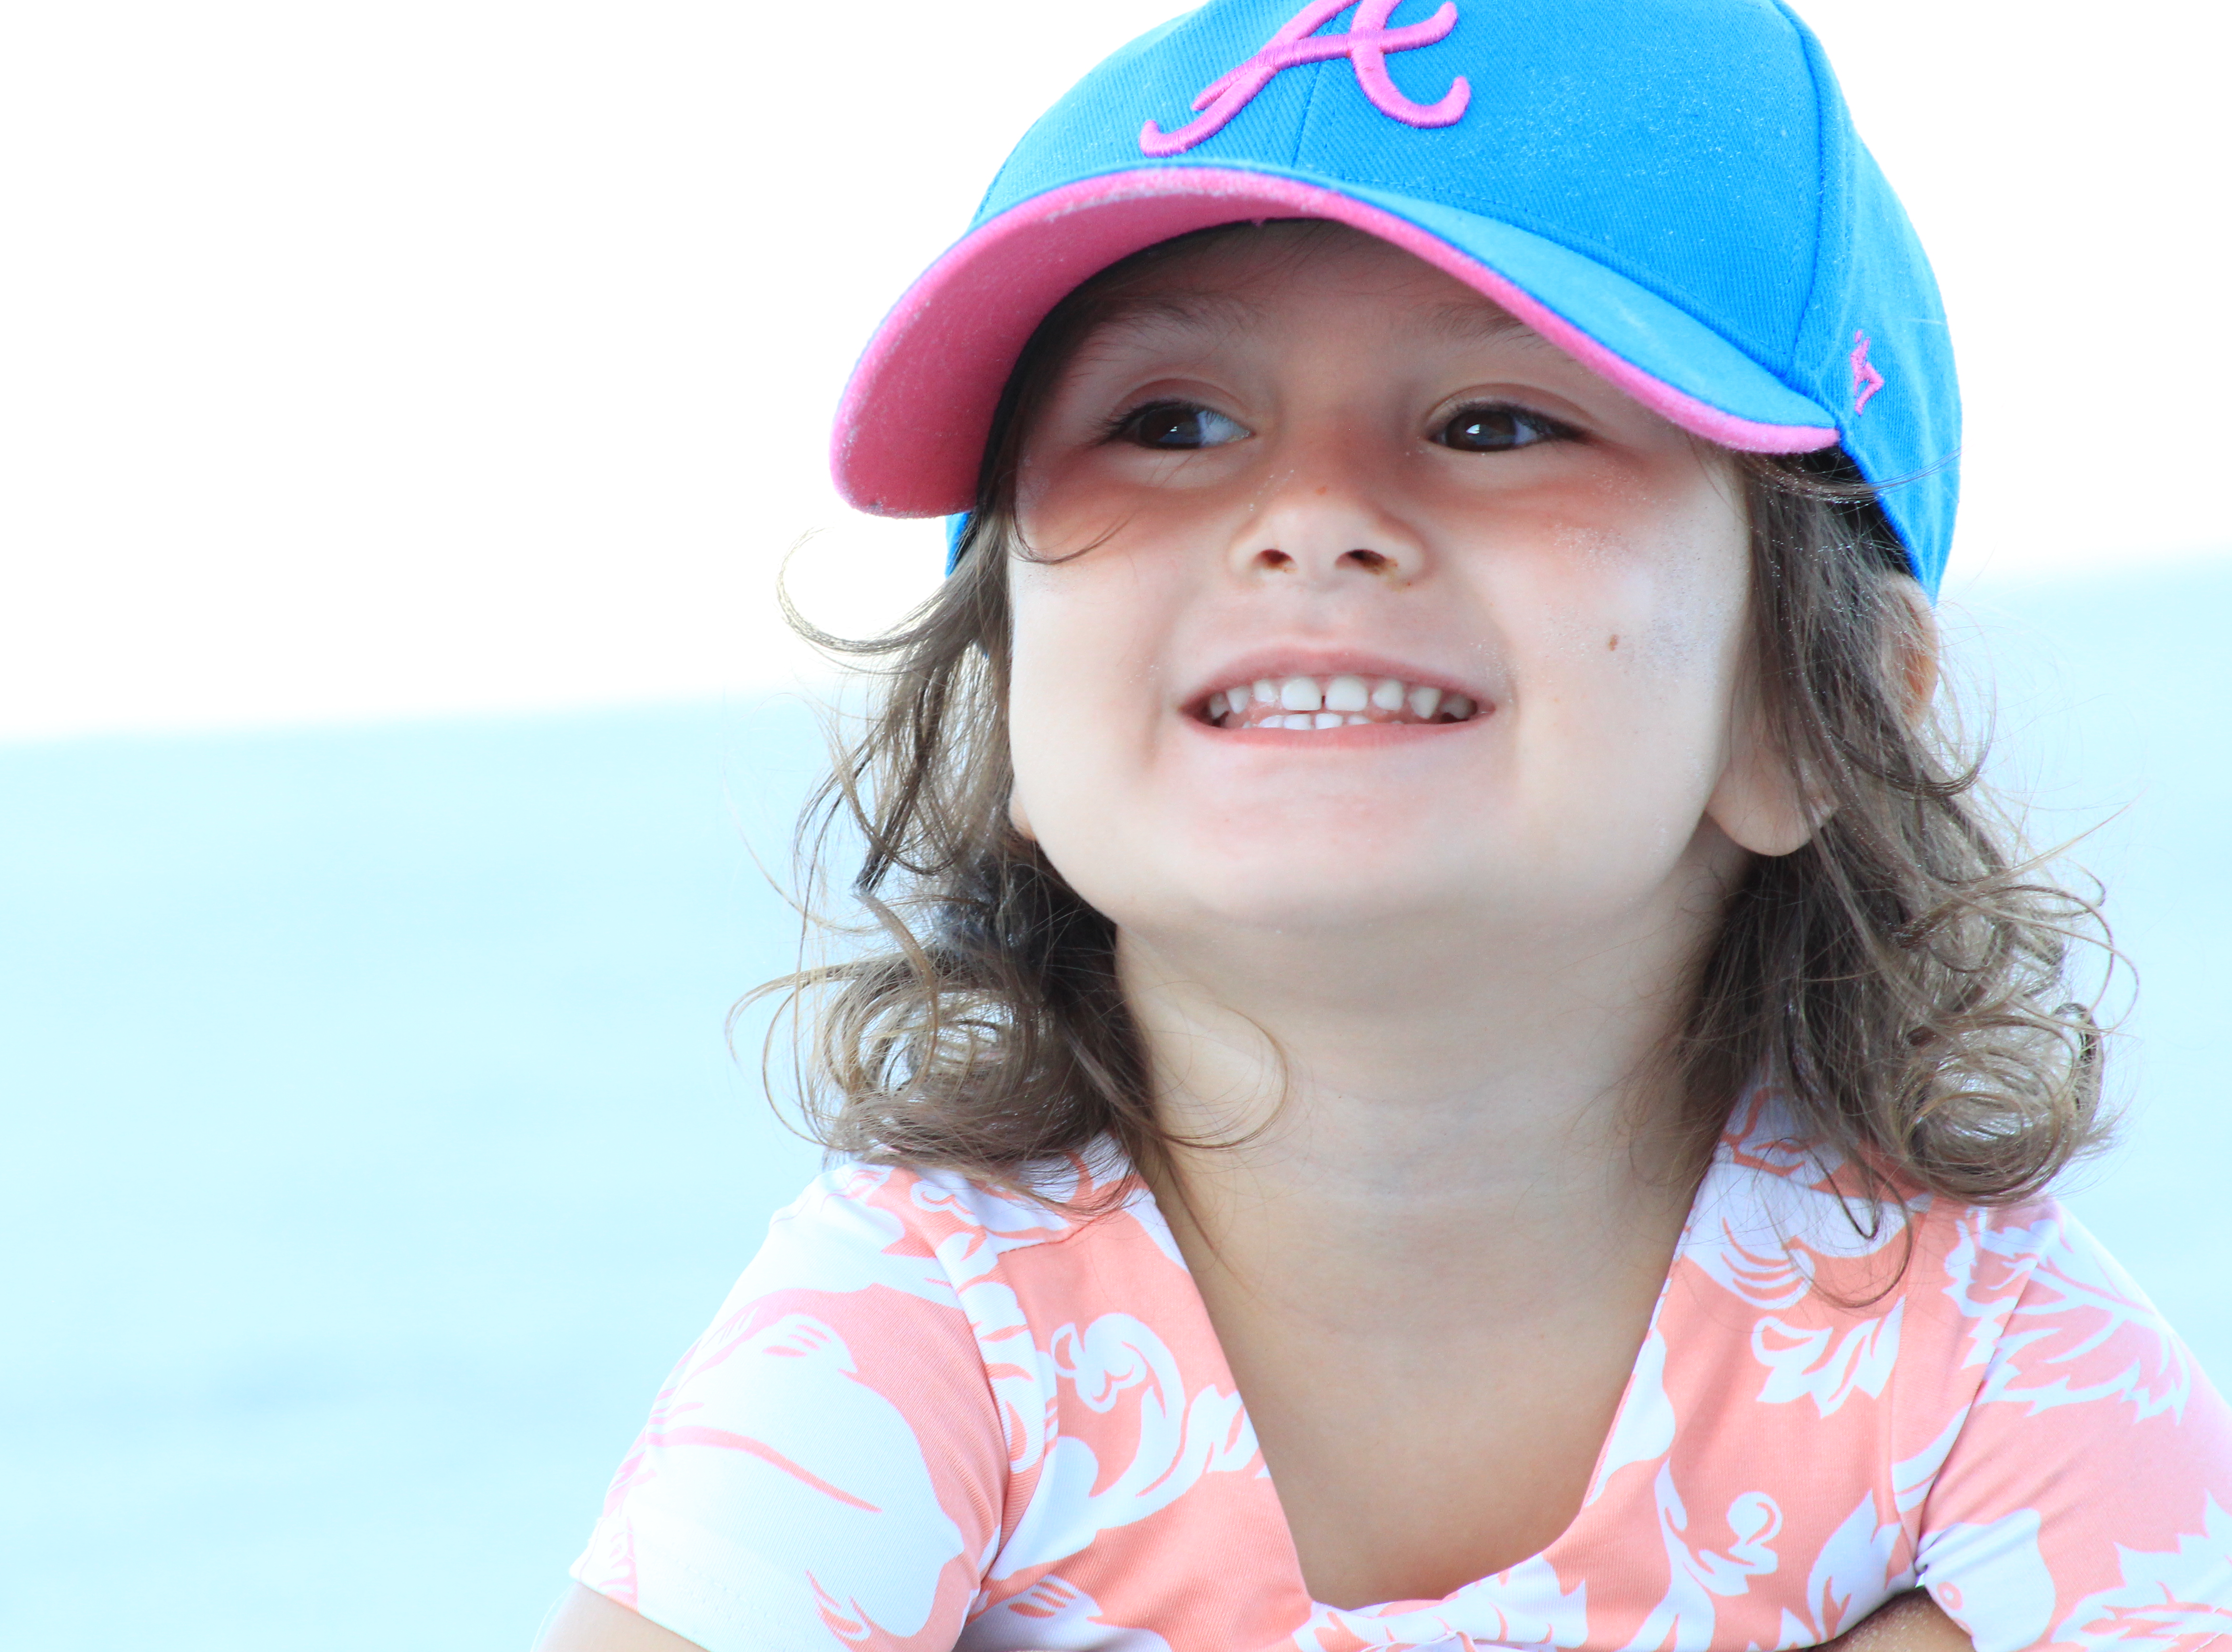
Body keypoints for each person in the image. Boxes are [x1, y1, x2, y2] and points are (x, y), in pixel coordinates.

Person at [541, 0, 2232, 1646]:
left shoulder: (1984, 1355)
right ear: (1011, 710)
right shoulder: (923, 1331)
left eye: (1495, 423)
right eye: (1170, 422)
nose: (1311, 514)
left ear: (1813, 705)